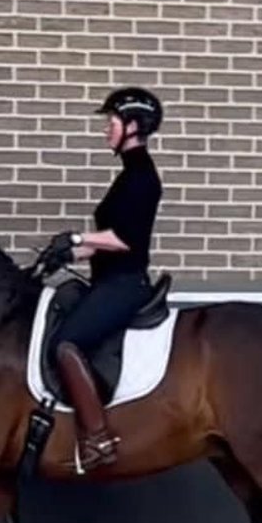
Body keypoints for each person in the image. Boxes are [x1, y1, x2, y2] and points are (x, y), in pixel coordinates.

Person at [40, 86, 165, 472]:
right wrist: (67, 254)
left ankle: (97, 439)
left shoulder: (142, 178)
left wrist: (78, 237)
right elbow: (107, 242)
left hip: (125, 285)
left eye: (111, 122)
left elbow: (125, 239)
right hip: (110, 279)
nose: (105, 129)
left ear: (132, 126)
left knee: (66, 344)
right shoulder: (128, 175)